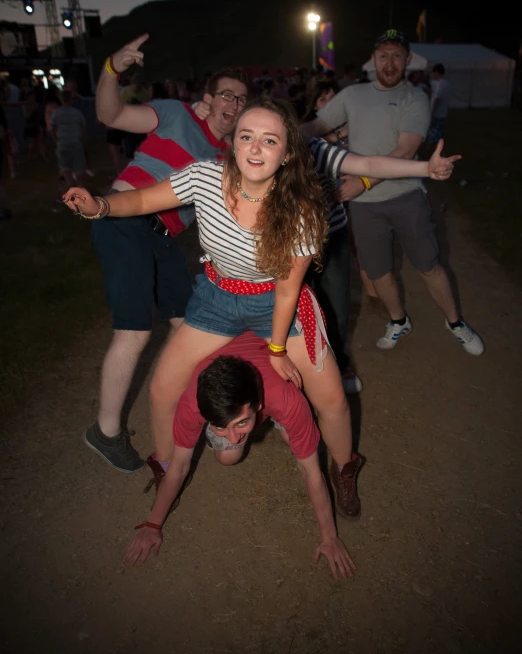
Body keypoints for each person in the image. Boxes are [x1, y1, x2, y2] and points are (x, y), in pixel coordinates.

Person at [64, 96, 457, 515]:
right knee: (163, 387)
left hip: (275, 304)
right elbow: (143, 201)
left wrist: (276, 350)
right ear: (232, 143)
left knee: (332, 400)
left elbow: (288, 291)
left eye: (269, 141)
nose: (255, 148)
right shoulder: (203, 178)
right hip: (217, 298)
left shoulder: (300, 210)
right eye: (246, 137)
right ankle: (165, 466)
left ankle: (344, 469)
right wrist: (102, 206)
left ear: (287, 153)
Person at [78, 34, 248, 475]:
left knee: (191, 327)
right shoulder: (176, 114)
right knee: (135, 332)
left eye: (241, 98)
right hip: (122, 220)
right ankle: (106, 431)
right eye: (226, 94)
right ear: (207, 100)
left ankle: (202, 412)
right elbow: (109, 113)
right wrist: (112, 70)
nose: (234, 102)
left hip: (164, 238)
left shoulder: (228, 155)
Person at [301, 29, 483, 356]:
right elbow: (315, 127)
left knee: (428, 265)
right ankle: (399, 320)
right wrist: (270, 132)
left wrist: (362, 182)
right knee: (379, 271)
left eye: (397, 55)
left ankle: (455, 322)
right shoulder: (353, 95)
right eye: (383, 55)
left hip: (406, 196)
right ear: (374, 60)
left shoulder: (415, 98)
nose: (389, 62)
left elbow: (404, 151)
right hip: (364, 207)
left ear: (407, 60)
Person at [124, 332, 356, 580]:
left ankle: (271, 423)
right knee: (228, 456)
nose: (233, 437)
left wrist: (329, 537)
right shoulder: (192, 404)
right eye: (220, 426)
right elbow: (178, 466)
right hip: (244, 382)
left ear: (257, 406)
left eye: (242, 422)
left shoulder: (286, 399)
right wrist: (153, 524)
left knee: (297, 440)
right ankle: (236, 422)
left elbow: (312, 472)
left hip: (275, 382)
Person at [51, 89, 88, 188]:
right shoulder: (77, 113)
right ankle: (81, 190)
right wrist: (84, 144)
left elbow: (53, 129)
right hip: (76, 143)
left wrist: (56, 142)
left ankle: (72, 189)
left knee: (66, 168)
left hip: (63, 143)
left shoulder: (56, 113)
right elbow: (83, 129)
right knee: (79, 168)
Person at [428, 63, 451, 146]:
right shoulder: (447, 83)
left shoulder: (440, 84)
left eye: (434, 72)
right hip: (443, 112)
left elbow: (436, 99)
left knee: (434, 132)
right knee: (438, 131)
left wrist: (432, 112)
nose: (433, 74)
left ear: (437, 72)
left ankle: (434, 149)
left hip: (437, 113)